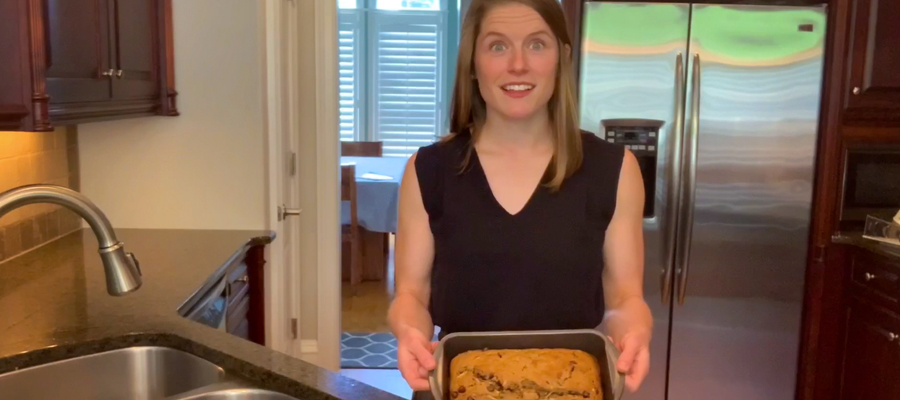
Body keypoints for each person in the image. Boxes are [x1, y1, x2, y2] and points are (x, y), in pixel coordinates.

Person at [387, 0, 652, 397]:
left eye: (537, 44)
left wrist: (634, 331)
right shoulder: (428, 170)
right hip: (459, 386)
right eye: (497, 46)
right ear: (473, 63)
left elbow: (624, 298)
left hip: (571, 387)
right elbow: (410, 294)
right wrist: (408, 332)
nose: (517, 65)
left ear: (562, 58)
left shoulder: (614, 170)